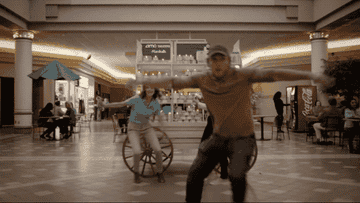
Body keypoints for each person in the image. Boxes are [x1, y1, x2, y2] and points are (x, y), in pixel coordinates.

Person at [126, 45, 332, 203]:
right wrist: (141, 81)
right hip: (218, 138)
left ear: (228, 61)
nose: (217, 64)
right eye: (213, 60)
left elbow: (274, 73)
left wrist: (311, 75)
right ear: (208, 63)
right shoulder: (202, 79)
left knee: (236, 175)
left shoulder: (243, 75)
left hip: (243, 138)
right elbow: (172, 81)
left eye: (221, 59)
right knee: (194, 175)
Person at [100, 85, 165, 184]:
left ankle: (160, 173)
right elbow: (121, 104)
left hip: (147, 128)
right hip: (133, 129)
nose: (150, 89)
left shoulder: (155, 103)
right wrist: (105, 105)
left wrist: (162, 127)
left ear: (155, 90)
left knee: (157, 149)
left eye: (152, 88)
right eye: (147, 87)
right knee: (137, 151)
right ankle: (136, 173)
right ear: (144, 89)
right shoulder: (136, 99)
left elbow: (160, 116)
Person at [195, 97, 228, 182]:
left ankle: (203, 169)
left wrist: (199, 103)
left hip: (214, 121)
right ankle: (223, 172)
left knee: (204, 144)